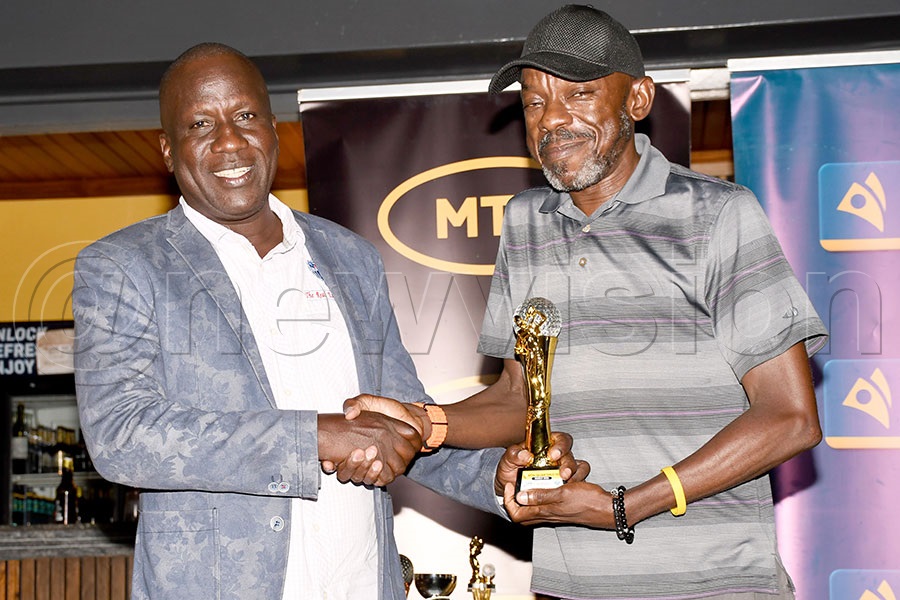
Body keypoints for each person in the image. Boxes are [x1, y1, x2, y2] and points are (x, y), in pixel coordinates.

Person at [72, 42, 582, 600]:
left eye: (245, 116)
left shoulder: (350, 258)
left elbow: (402, 422)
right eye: (201, 124)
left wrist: (501, 480)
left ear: (273, 129)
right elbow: (121, 435)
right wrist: (316, 436)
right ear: (168, 151)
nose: (229, 141)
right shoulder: (125, 265)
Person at [476, 5, 827, 600]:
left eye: (579, 93)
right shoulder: (523, 223)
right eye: (534, 101)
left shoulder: (718, 214)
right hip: (572, 588)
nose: (551, 119)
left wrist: (624, 507)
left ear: (637, 99)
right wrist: (418, 422)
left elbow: (790, 417)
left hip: (714, 587)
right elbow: (518, 398)